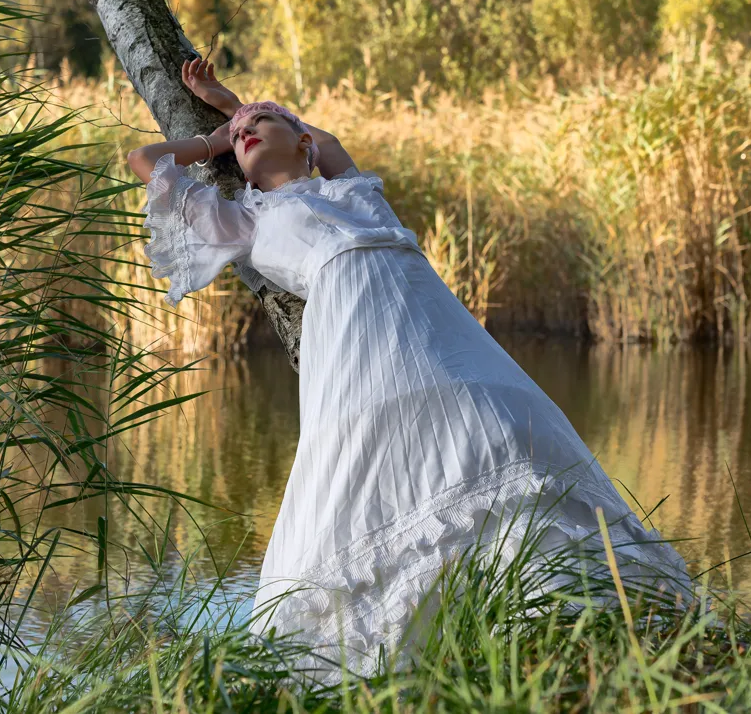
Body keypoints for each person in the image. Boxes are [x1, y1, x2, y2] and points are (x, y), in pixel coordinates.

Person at [126, 55, 692, 686]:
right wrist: (217, 137)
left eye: (264, 122)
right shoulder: (247, 220)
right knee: (362, 454)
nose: (248, 131)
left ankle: (551, 601)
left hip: (428, 310)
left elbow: (327, 141)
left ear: (306, 142)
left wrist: (237, 105)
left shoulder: (352, 187)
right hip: (351, 326)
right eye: (241, 135)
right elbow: (147, 160)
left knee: (498, 423)